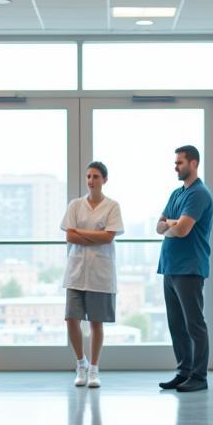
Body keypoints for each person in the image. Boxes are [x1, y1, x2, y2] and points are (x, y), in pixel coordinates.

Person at [156, 144, 213, 393]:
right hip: (170, 267)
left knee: (194, 324)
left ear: (193, 163)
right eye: (176, 162)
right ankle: (184, 371)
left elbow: (182, 229)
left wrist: (172, 224)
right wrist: (172, 223)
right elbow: (159, 226)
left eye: (179, 162)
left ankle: (199, 377)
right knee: (176, 324)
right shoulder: (176, 193)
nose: (176, 166)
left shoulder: (199, 194)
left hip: (189, 268)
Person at [61, 161, 124, 388]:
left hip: (100, 273)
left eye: (96, 177)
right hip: (76, 272)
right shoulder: (75, 205)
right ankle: (81, 363)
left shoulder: (112, 206)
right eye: (88, 176)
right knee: (71, 320)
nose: (91, 181)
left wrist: (82, 233)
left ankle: (95, 369)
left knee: (96, 323)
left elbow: (109, 237)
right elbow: (70, 236)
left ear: (104, 180)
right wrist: (95, 235)